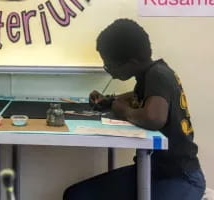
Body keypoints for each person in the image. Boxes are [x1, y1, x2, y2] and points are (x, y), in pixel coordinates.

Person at [63, 19, 205, 200]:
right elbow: (136, 96)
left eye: (109, 65)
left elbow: (153, 118)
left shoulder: (158, 75)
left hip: (180, 177)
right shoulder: (149, 75)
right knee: (77, 195)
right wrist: (109, 100)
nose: (109, 70)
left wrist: (119, 108)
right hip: (151, 170)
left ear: (131, 62)